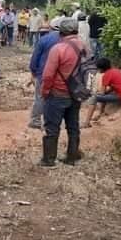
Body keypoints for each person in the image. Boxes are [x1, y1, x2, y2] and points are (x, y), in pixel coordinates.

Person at [40, 18, 86, 166]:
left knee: (52, 127)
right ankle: (72, 157)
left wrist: (45, 92)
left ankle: (49, 159)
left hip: (57, 94)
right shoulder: (85, 47)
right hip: (77, 93)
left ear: (61, 32)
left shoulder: (58, 49)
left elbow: (48, 75)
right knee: (73, 127)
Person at [28, 17, 62, 129]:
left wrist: (33, 72)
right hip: (59, 75)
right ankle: (52, 122)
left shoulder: (44, 39)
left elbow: (35, 58)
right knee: (56, 98)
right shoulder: (65, 40)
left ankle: (35, 120)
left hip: (43, 73)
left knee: (40, 97)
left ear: (50, 27)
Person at [83, 58, 121, 128]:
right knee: (103, 95)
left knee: (94, 98)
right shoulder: (116, 71)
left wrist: (96, 94)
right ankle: (101, 113)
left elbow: (102, 93)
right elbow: (113, 87)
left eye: (98, 68)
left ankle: (87, 123)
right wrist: (104, 93)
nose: (97, 70)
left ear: (101, 68)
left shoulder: (106, 75)